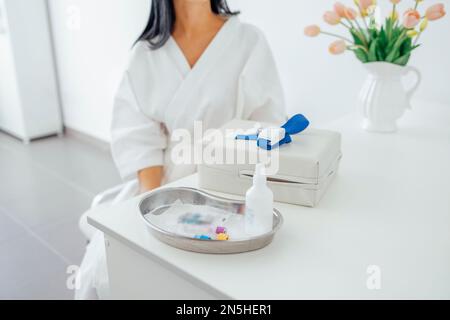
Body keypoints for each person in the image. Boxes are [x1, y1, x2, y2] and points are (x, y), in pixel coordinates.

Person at [76, 0, 286, 299]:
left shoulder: (248, 41)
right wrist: (153, 206)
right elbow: (138, 136)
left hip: (233, 180)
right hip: (167, 183)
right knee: (111, 265)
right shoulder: (145, 54)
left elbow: (267, 127)